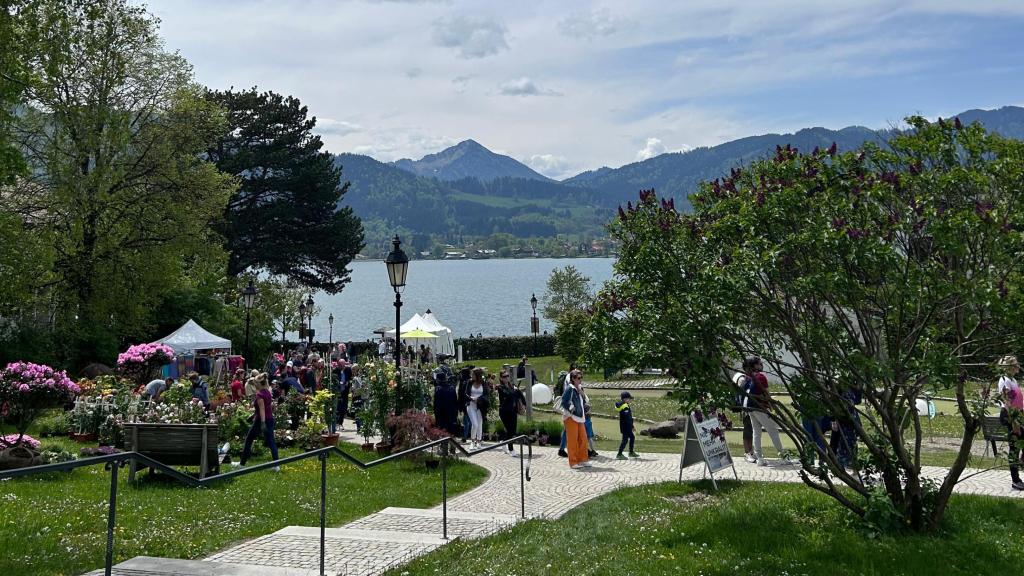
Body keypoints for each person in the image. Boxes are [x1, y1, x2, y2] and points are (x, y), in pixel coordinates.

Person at [743, 357, 787, 467]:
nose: (761, 365)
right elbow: (767, 394)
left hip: (751, 409)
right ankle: (783, 457)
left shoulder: (749, 377)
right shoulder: (761, 377)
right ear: (755, 366)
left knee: (756, 433)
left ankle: (760, 458)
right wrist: (772, 406)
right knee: (773, 431)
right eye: (760, 363)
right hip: (760, 408)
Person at [235, 374, 280, 471]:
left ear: (259, 384)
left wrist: (262, 423)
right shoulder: (267, 392)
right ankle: (276, 465)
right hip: (270, 419)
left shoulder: (259, 395)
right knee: (271, 441)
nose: (254, 385)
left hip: (261, 420)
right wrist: (252, 416)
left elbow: (262, 409)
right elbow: (266, 407)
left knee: (249, 439)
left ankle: (242, 464)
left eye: (255, 384)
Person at [996, 355, 1024, 490]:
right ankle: (1015, 480)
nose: (1018, 366)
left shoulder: (1013, 380)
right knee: (1014, 448)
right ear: (1010, 366)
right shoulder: (1004, 380)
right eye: (1016, 364)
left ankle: (1021, 463)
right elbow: (1007, 401)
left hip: (1018, 415)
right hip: (1010, 416)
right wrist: (1014, 422)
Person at [561, 369, 591, 469]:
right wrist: (571, 408)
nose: (580, 379)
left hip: (580, 417)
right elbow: (564, 402)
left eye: (581, 377)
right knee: (572, 440)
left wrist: (582, 393)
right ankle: (573, 462)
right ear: (573, 379)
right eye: (578, 378)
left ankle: (583, 459)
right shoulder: (570, 388)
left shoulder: (579, 388)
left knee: (583, 439)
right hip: (571, 417)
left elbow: (585, 400)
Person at [497, 369, 526, 456]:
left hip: (513, 411)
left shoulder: (512, 386)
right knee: (509, 430)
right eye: (504, 376)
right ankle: (511, 449)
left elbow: (520, 395)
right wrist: (515, 390)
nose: (506, 378)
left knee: (513, 431)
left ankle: (503, 441)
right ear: (501, 378)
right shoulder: (500, 387)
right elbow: (508, 394)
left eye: (507, 376)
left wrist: (524, 404)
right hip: (504, 412)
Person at [733, 371, 756, 463]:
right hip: (746, 408)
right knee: (747, 429)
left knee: (751, 430)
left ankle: (751, 451)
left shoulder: (748, 378)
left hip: (751, 407)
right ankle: (747, 452)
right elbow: (742, 392)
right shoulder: (742, 378)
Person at [465, 367, 487, 448]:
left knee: (479, 424)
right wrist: (471, 398)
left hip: (480, 406)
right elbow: (466, 393)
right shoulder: (469, 382)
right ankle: (472, 441)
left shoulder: (483, 383)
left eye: (473, 374)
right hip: (471, 405)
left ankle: (479, 441)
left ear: (477, 375)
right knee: (475, 424)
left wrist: (478, 399)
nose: (471, 375)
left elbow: (486, 395)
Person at [615, 391, 639, 460]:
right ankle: (619, 454)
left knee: (632, 437)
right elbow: (627, 418)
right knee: (625, 440)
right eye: (629, 398)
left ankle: (631, 452)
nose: (630, 400)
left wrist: (632, 426)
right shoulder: (625, 406)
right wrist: (631, 426)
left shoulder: (624, 405)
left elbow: (628, 418)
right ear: (625, 399)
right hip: (626, 427)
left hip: (626, 426)